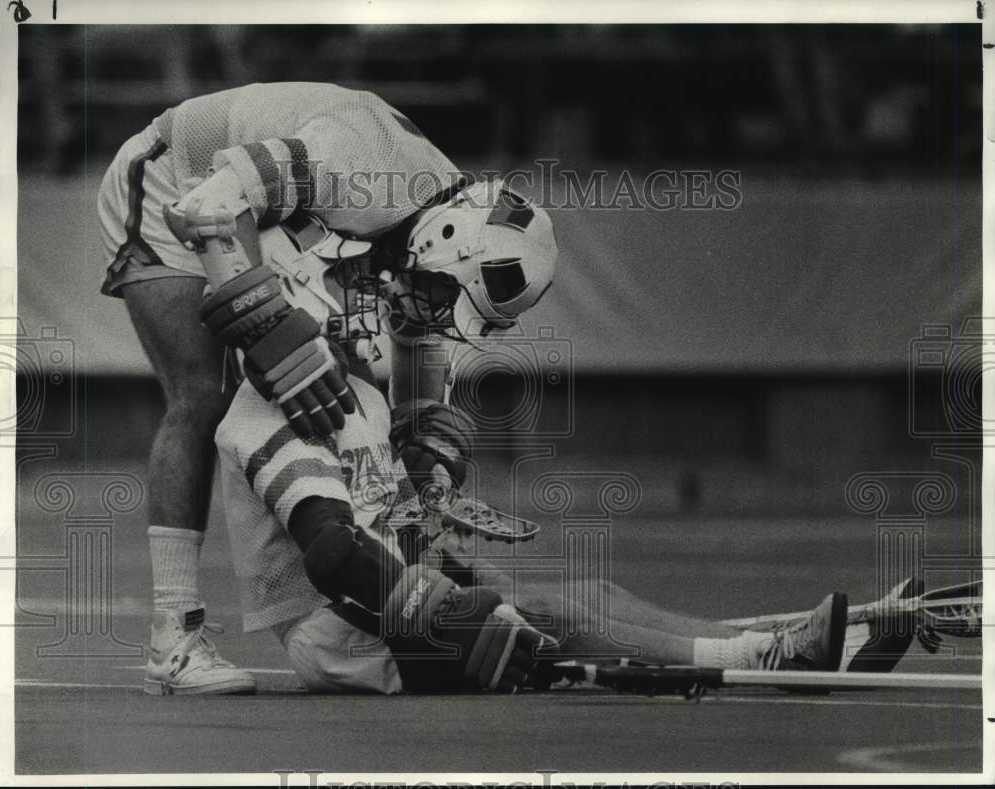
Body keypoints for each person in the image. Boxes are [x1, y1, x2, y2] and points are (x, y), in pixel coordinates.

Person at [96, 83, 553, 694]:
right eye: (450, 299)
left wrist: (423, 434)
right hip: (173, 178)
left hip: (243, 202)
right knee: (200, 396)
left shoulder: (436, 215)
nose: (442, 316)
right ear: (446, 240)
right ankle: (172, 637)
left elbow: (418, 337)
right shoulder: (360, 168)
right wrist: (268, 325)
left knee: (338, 373)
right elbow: (210, 207)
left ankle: (369, 582)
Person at [212, 355, 849, 695]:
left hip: (378, 602)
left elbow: (387, 524)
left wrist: (454, 563)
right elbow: (332, 550)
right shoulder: (267, 415)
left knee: (592, 596)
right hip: (341, 635)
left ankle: (780, 645)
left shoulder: (357, 392)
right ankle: (768, 657)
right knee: (554, 617)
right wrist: (437, 610)